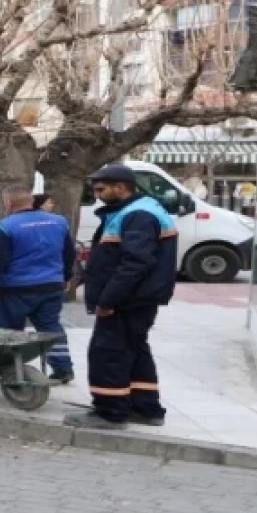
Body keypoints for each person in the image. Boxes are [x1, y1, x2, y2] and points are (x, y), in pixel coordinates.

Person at [66, 164, 177, 430]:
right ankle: (145, 407)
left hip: (127, 300)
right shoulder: (140, 210)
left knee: (109, 352)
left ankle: (110, 412)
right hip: (139, 298)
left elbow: (135, 263)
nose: (97, 195)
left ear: (121, 187)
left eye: (101, 189)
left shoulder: (137, 215)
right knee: (135, 349)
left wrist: (108, 300)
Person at [0, 186, 76, 383]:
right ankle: (63, 368)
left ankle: (8, 369)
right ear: (32, 201)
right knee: (51, 327)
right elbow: (68, 253)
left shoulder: (6, 226)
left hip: (14, 289)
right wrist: (67, 276)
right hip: (51, 285)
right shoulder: (59, 222)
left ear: (8, 203)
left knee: (9, 331)